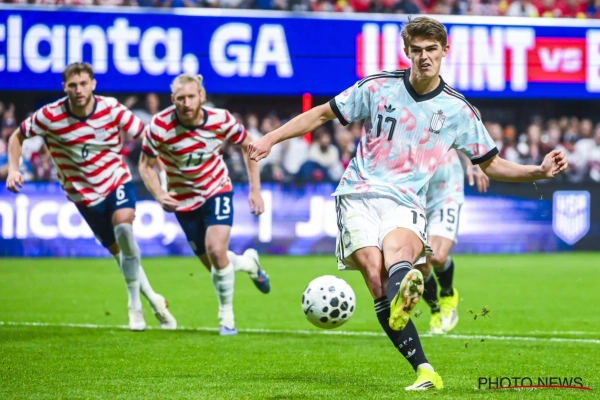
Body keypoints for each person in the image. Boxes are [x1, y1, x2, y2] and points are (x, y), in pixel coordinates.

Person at [248, 16, 567, 390]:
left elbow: (492, 164)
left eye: (432, 49)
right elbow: (321, 113)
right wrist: (271, 138)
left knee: (398, 257)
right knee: (374, 275)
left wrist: (538, 171)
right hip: (357, 194)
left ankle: (407, 289)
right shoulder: (378, 87)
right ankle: (425, 368)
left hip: (406, 200)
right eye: (417, 50)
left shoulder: (458, 110)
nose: (424, 57)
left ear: (444, 51)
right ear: (407, 51)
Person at [5, 62, 176, 332]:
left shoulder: (111, 108)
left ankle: (134, 306)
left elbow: (148, 137)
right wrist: (14, 168)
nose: (79, 90)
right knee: (119, 254)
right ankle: (154, 299)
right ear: (64, 87)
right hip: (83, 196)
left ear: (93, 84)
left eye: (84, 83)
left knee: (124, 227)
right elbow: (17, 136)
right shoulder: (50, 115)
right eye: (73, 85)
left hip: (116, 180)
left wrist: (165, 175)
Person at [138, 74, 270, 336]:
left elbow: (249, 146)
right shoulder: (159, 127)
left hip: (216, 189)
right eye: (180, 98)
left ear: (201, 96)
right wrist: (159, 194)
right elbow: (145, 165)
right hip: (182, 201)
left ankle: (226, 318)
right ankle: (248, 263)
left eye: (191, 97)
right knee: (216, 265)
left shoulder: (221, 119)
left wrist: (255, 189)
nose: (186, 103)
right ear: (172, 99)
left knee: (217, 251)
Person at [421, 148, 489, 334]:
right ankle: (435, 309)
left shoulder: (442, 125)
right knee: (419, 265)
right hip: (413, 194)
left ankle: (448, 294)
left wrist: (475, 161)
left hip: (446, 189)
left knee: (437, 256)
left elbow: (466, 133)